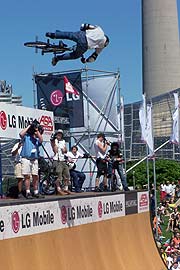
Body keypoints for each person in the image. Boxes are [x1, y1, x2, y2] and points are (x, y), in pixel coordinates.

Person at [19, 120, 43, 199]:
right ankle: (28, 192)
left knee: (35, 176)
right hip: (26, 158)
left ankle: (36, 191)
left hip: (34, 159)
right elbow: (21, 134)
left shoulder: (36, 139)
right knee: (27, 176)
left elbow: (41, 140)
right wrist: (29, 125)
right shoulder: (26, 137)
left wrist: (36, 130)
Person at [50, 129, 72, 195]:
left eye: (60, 134)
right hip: (57, 159)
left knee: (67, 175)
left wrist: (64, 150)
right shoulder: (54, 141)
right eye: (58, 134)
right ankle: (59, 189)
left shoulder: (63, 141)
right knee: (59, 176)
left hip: (63, 159)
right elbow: (55, 150)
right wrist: (55, 143)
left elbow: (65, 150)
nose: (59, 135)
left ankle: (66, 189)